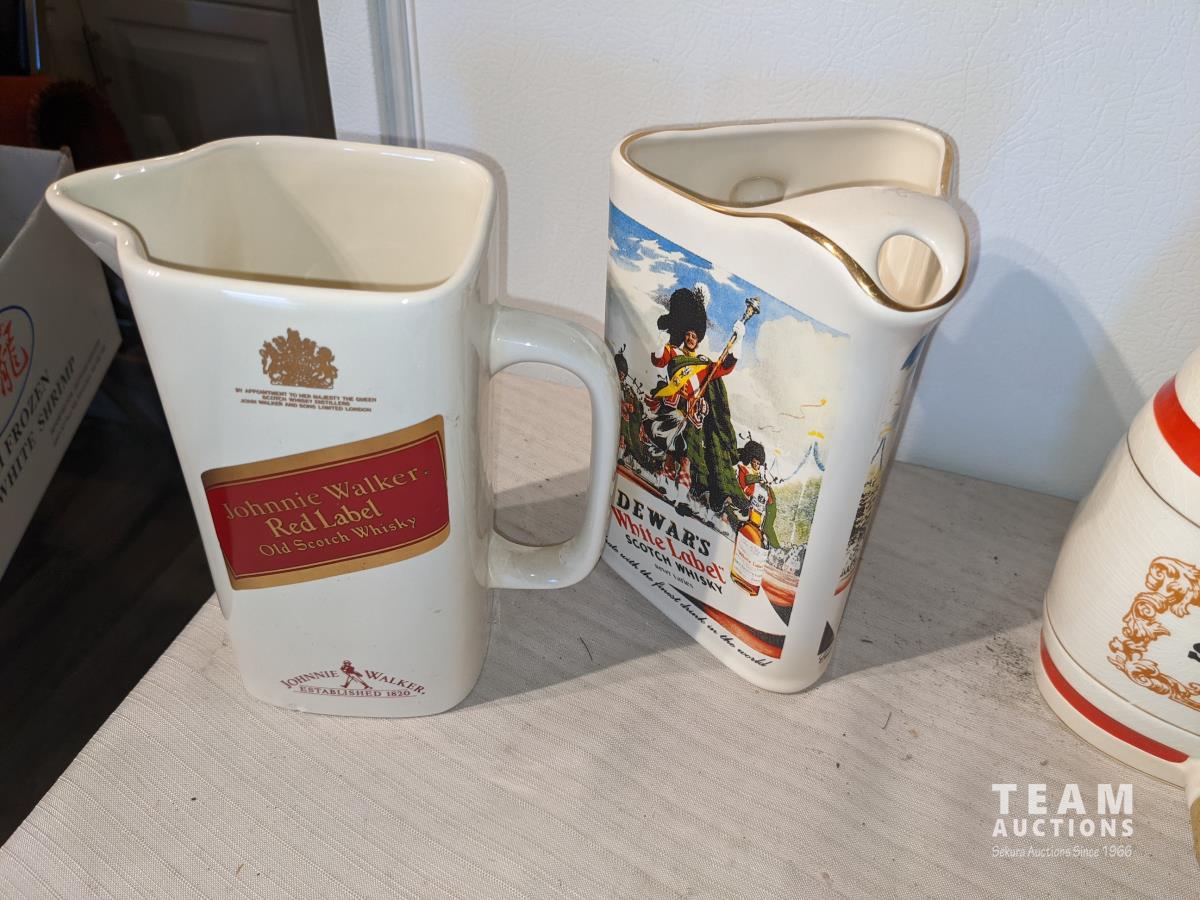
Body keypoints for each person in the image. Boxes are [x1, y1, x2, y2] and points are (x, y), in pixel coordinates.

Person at [643, 286, 744, 513]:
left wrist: (738, 341)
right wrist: (662, 339)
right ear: (683, 334)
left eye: (694, 336)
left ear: (698, 340)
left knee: (687, 458)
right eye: (688, 334)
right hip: (673, 408)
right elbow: (658, 360)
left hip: (693, 415)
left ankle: (681, 497)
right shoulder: (673, 352)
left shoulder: (702, 363)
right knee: (671, 454)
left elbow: (723, 368)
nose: (690, 338)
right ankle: (666, 485)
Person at [733, 439, 780, 548]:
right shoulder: (744, 470)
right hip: (745, 500)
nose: (756, 465)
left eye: (758, 463)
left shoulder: (758, 474)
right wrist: (757, 482)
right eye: (754, 462)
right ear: (750, 460)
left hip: (757, 505)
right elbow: (745, 485)